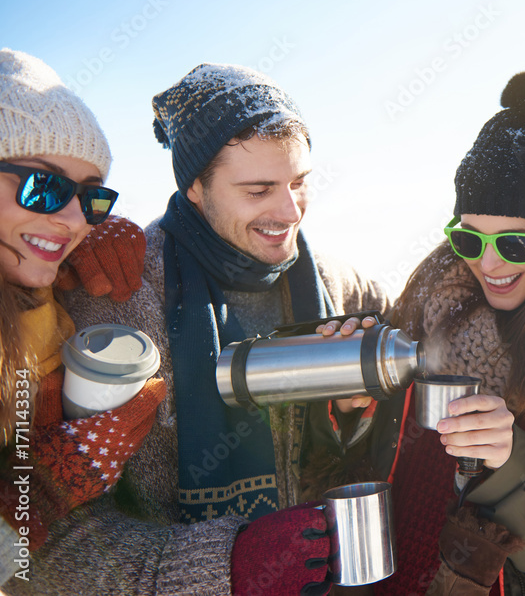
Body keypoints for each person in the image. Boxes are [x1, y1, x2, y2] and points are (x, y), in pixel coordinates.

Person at [9, 63, 390, 595]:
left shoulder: (343, 288)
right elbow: (54, 543)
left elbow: (381, 448)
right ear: (194, 187)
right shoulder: (113, 300)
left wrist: (356, 410)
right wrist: (224, 566)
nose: (289, 210)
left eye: (299, 182)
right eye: (258, 191)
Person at [320, 71, 525, 596]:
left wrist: (509, 461)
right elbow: (361, 459)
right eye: (469, 239)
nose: (488, 262)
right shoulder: (421, 310)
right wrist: (353, 407)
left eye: (514, 245)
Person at [0, 48, 163, 586]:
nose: (73, 220)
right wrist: (41, 489)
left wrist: (66, 250)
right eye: (43, 187)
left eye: (93, 199)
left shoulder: (34, 298)